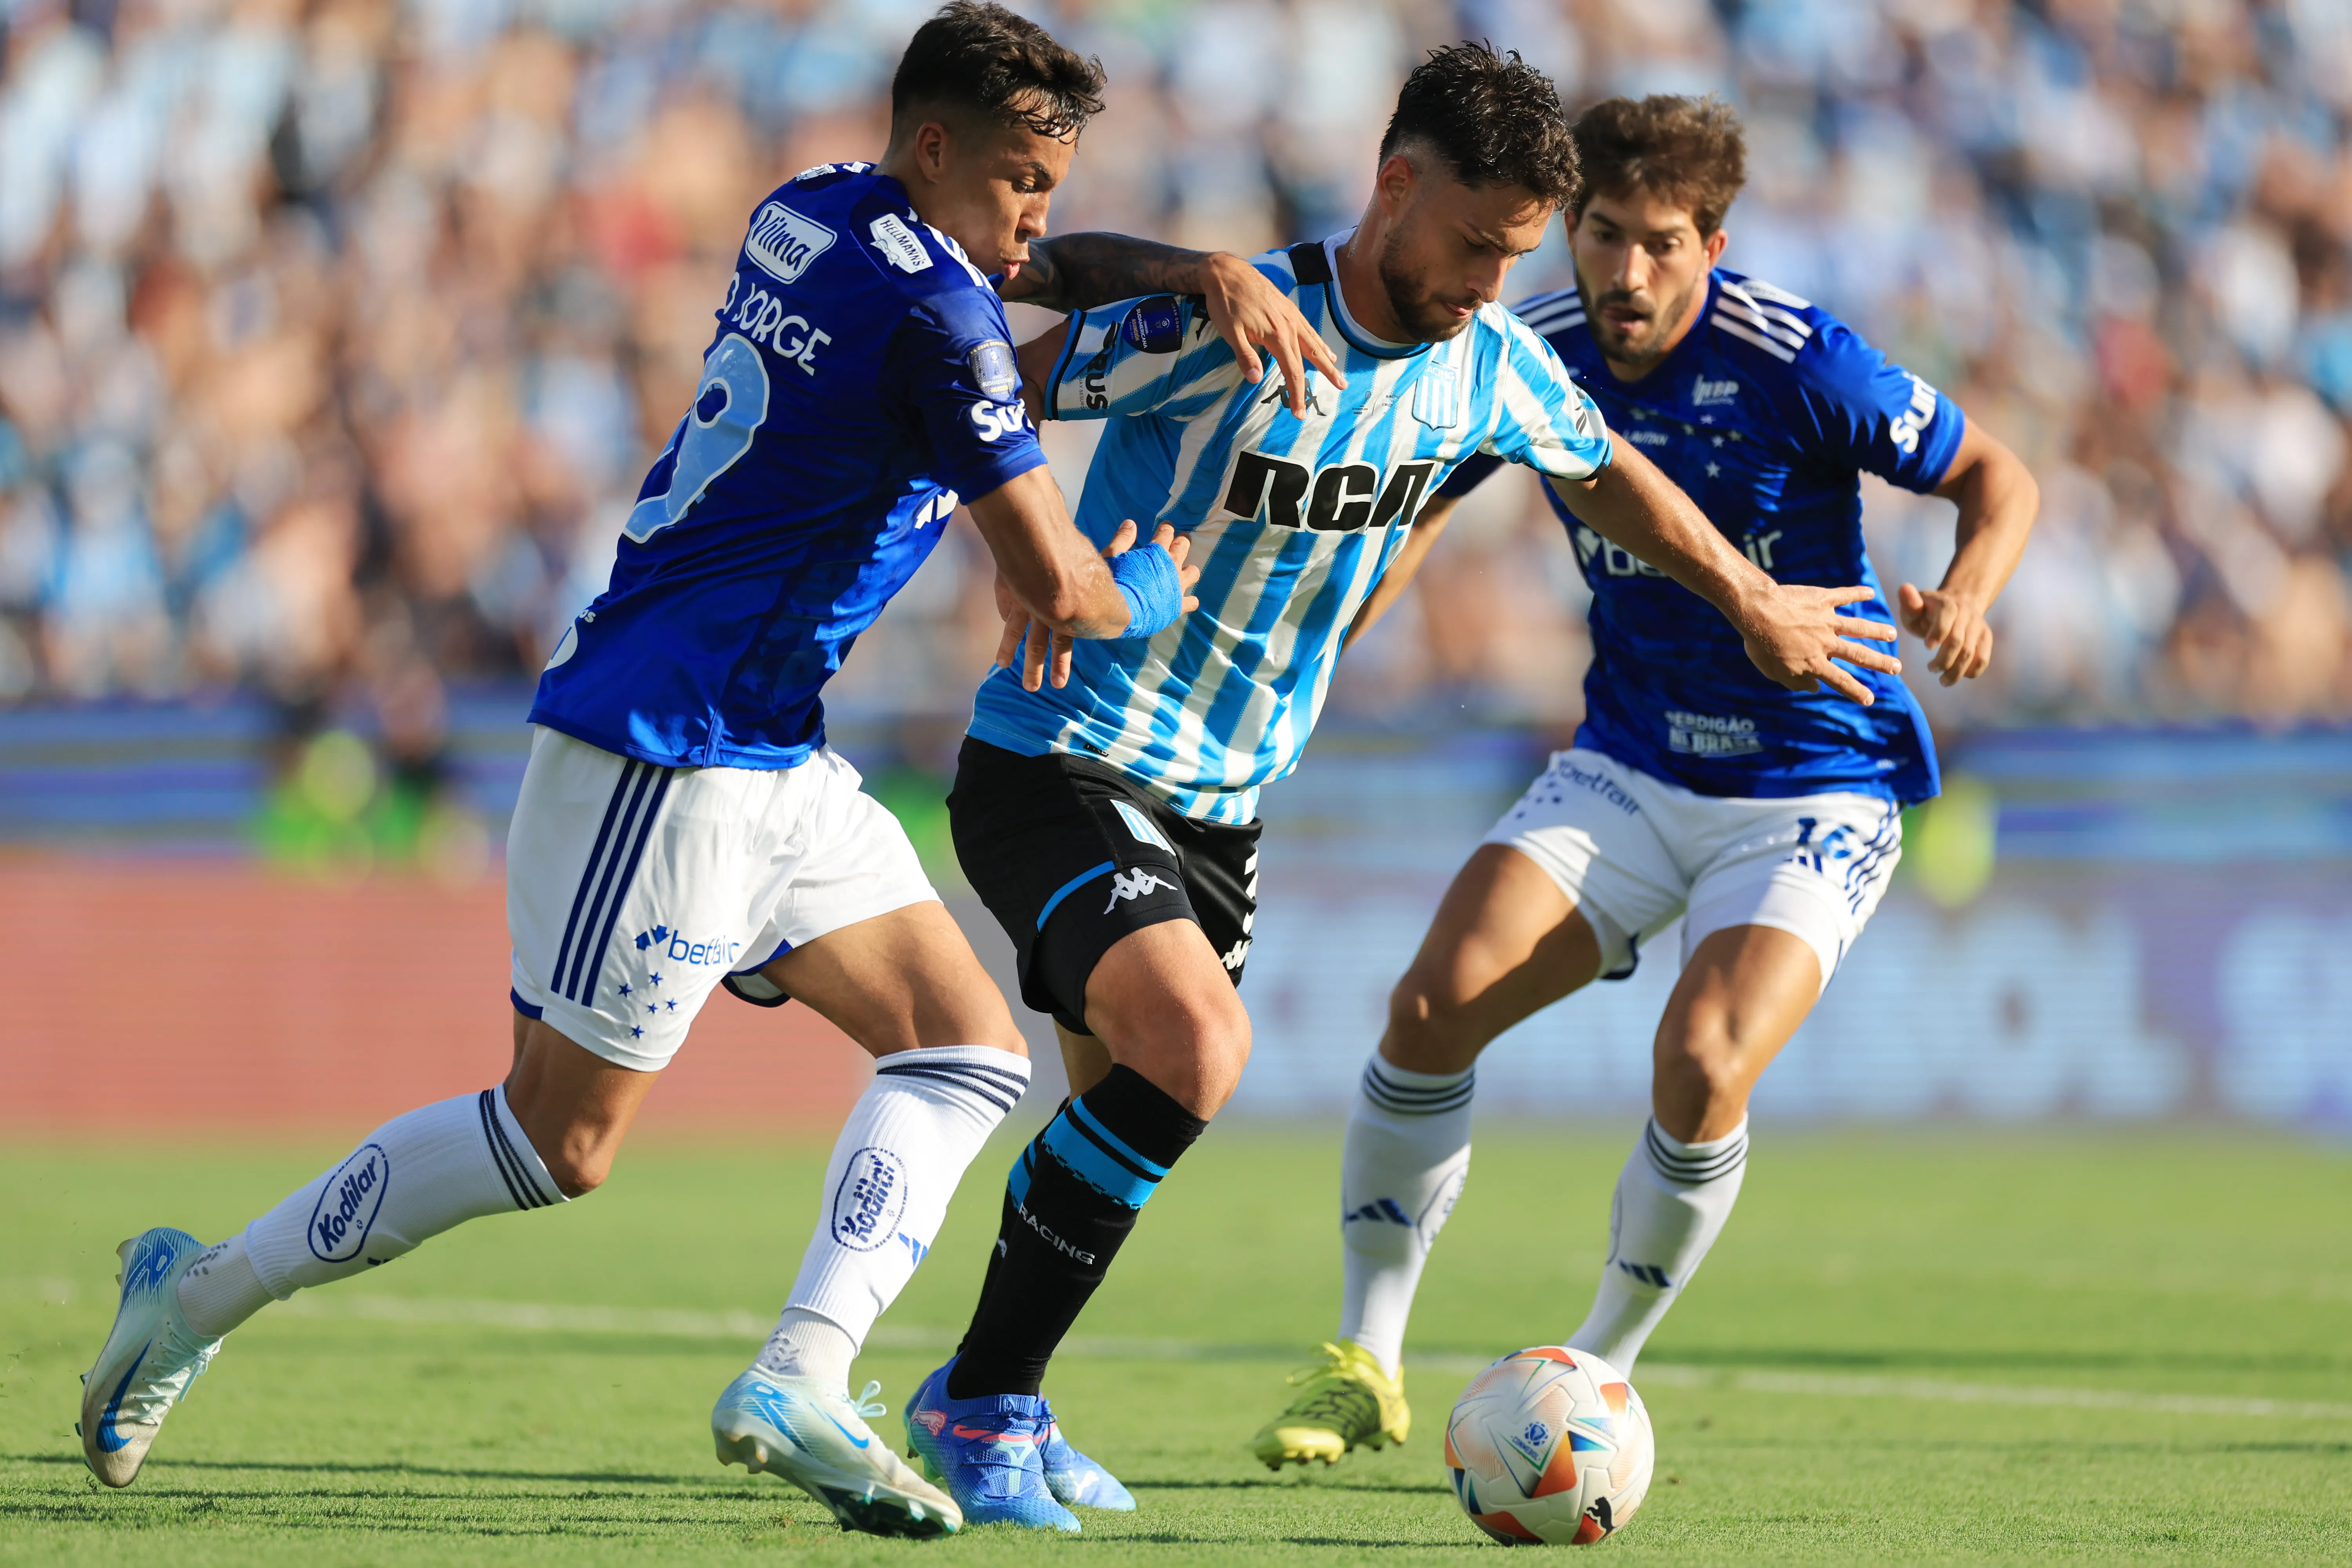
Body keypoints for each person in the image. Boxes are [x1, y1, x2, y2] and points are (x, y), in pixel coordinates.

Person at [74, 1, 1342, 1541]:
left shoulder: (811, 211)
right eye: (1019, 178)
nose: (1036, 216)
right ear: (936, 148)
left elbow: (1034, 285)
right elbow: (1060, 587)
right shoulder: (939, 327)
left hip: (765, 745)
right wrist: (1147, 584)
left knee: (964, 1048)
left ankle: (803, 1371)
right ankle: (194, 1294)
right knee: (562, 1141)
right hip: (665, 751)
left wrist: (1198, 276)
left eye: (1051, 186)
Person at [897, 49, 1904, 1532]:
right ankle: (970, 1401)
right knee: (1197, 1048)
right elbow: (989, 385)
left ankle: (1009, 1395)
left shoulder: (1486, 367)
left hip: (1225, 810)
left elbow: (1607, 469)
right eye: (1479, 244)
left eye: (1518, 256)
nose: (1494, 282)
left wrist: (1754, 597)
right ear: (1395, 187)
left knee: (1121, 1132)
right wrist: (1042, 564)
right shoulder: (1225, 320)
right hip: (1064, 750)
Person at [1249, 93, 2038, 1470]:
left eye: (1660, 245)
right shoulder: (1524, 354)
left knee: (1702, 1057)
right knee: (1430, 1007)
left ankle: (1593, 1379)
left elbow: (1996, 474)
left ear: (1712, 245)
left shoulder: (1803, 362)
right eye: (1600, 237)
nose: (1625, 274)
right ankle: (1363, 1359)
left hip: (1812, 784)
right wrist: (1319, 660)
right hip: (1626, 766)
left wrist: (1969, 594)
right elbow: (1415, 515)